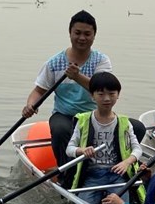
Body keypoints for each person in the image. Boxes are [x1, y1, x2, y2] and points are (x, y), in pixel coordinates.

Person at [21, 10, 146, 180]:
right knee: (59, 129)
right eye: (77, 33)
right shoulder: (54, 63)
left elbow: (102, 88)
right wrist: (30, 105)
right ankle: (67, 175)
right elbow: (38, 91)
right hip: (66, 115)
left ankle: (117, 165)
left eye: (87, 34)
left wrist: (77, 76)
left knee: (137, 127)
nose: (82, 38)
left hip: (95, 115)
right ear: (70, 33)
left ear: (94, 35)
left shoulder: (101, 60)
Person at [65, 72, 144, 204]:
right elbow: (69, 149)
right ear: (92, 96)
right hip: (92, 176)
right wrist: (82, 150)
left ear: (118, 95)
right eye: (101, 94)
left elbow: (137, 149)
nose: (107, 98)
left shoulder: (124, 122)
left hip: (117, 175)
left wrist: (127, 162)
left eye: (111, 94)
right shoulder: (83, 120)